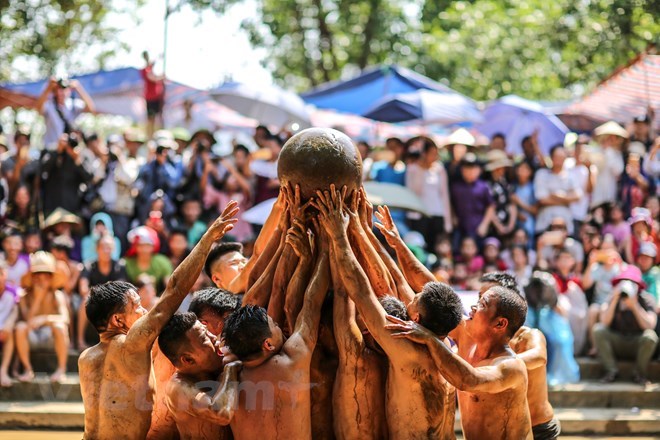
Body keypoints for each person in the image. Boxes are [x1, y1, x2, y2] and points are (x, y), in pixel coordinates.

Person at [78, 202, 238, 440]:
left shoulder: (85, 358)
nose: (145, 311)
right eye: (137, 307)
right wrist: (207, 239)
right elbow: (174, 290)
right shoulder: (131, 345)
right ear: (118, 320)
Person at [315, 187, 463, 439]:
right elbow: (397, 282)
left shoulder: (410, 354)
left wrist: (339, 236)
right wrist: (367, 231)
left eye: (415, 299)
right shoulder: (446, 345)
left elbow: (361, 293)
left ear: (416, 318)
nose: (409, 295)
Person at [221, 220, 329, 440]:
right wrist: (320, 251)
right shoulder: (290, 361)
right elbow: (311, 304)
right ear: (267, 344)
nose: (280, 325)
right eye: (276, 326)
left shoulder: (229, 378)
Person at [386, 285, 532, 440]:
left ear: (500, 324)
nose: (473, 307)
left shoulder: (512, 367)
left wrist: (430, 339)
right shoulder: (468, 340)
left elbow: (469, 380)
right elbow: (427, 305)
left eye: (483, 304)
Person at [480, 272, 560, 439]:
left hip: (538, 427)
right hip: (507, 429)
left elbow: (539, 357)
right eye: (480, 296)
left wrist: (490, 365)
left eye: (487, 297)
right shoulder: (483, 338)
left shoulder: (530, 335)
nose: (479, 302)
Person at [158, 312, 241, 440]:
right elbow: (221, 414)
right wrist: (230, 370)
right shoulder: (180, 388)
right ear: (188, 359)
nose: (214, 337)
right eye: (204, 338)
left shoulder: (213, 368)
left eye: (207, 331)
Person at [593, 265, 658, 384]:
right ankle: (611, 371)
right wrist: (614, 301)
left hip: (637, 343)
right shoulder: (612, 298)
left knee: (650, 336)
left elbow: (650, 326)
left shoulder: (646, 299)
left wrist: (634, 306)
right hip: (617, 342)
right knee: (598, 330)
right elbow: (604, 322)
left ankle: (639, 373)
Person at [14, 251, 70, 383]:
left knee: (60, 327)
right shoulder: (24, 296)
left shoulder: (57, 295)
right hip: (32, 337)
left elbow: (65, 318)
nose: (41, 280)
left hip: (50, 337)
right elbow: (26, 321)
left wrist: (45, 319)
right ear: (32, 277)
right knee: (20, 327)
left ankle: (61, 369)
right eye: (38, 276)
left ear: (51, 278)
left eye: (45, 276)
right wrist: (38, 299)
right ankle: (28, 369)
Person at [77, 234, 128, 349]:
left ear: (113, 249)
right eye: (103, 247)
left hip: (112, 301)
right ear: (97, 249)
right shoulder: (88, 265)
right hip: (93, 300)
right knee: (84, 301)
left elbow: (121, 288)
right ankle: (80, 340)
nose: (106, 250)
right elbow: (83, 289)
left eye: (109, 247)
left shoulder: (119, 266)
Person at [405, 136, 453, 250]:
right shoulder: (413, 169)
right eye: (431, 153)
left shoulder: (439, 170)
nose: (434, 157)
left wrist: (448, 220)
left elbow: (444, 195)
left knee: (435, 246)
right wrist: (421, 169)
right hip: (419, 214)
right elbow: (413, 191)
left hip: (437, 213)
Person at [533, 145, 582, 237]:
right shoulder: (541, 174)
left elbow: (578, 196)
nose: (559, 160)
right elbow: (542, 199)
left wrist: (559, 196)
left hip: (566, 224)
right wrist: (567, 200)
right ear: (551, 157)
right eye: (557, 157)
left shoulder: (571, 176)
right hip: (544, 222)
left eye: (562, 157)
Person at [35, 77, 95, 150]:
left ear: (69, 90)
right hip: (52, 150)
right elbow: (38, 108)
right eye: (58, 89)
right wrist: (48, 88)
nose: (61, 92)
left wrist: (78, 88)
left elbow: (91, 109)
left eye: (64, 88)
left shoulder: (73, 105)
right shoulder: (49, 106)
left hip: (68, 150)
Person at [450, 152, 495, 248]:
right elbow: (451, 204)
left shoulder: (483, 187)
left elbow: (491, 206)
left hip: (478, 228)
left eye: (473, 168)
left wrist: (484, 224)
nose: (470, 171)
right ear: (462, 170)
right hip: (461, 228)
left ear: (479, 170)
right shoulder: (456, 187)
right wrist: (453, 217)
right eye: (467, 168)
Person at [124, 226, 173, 294]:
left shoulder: (162, 262)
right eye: (140, 245)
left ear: (153, 246)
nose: (144, 249)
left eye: (147, 245)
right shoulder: (126, 263)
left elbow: (170, 287)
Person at [591, 122, 627, 208]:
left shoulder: (616, 154)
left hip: (610, 191)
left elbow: (618, 171)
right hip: (596, 191)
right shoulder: (594, 151)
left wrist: (609, 152)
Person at [0, 262, 19, 387]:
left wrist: (9, 323)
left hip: (4, 332)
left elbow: (15, 310)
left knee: (11, 331)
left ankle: (3, 371)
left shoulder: (13, 291)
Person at [141, 51, 166, 138]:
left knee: (159, 118)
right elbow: (152, 78)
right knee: (151, 119)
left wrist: (159, 56)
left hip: (157, 98)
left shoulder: (149, 68)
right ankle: (150, 137)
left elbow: (154, 62)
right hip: (151, 98)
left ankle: (159, 135)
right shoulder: (145, 70)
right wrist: (161, 77)